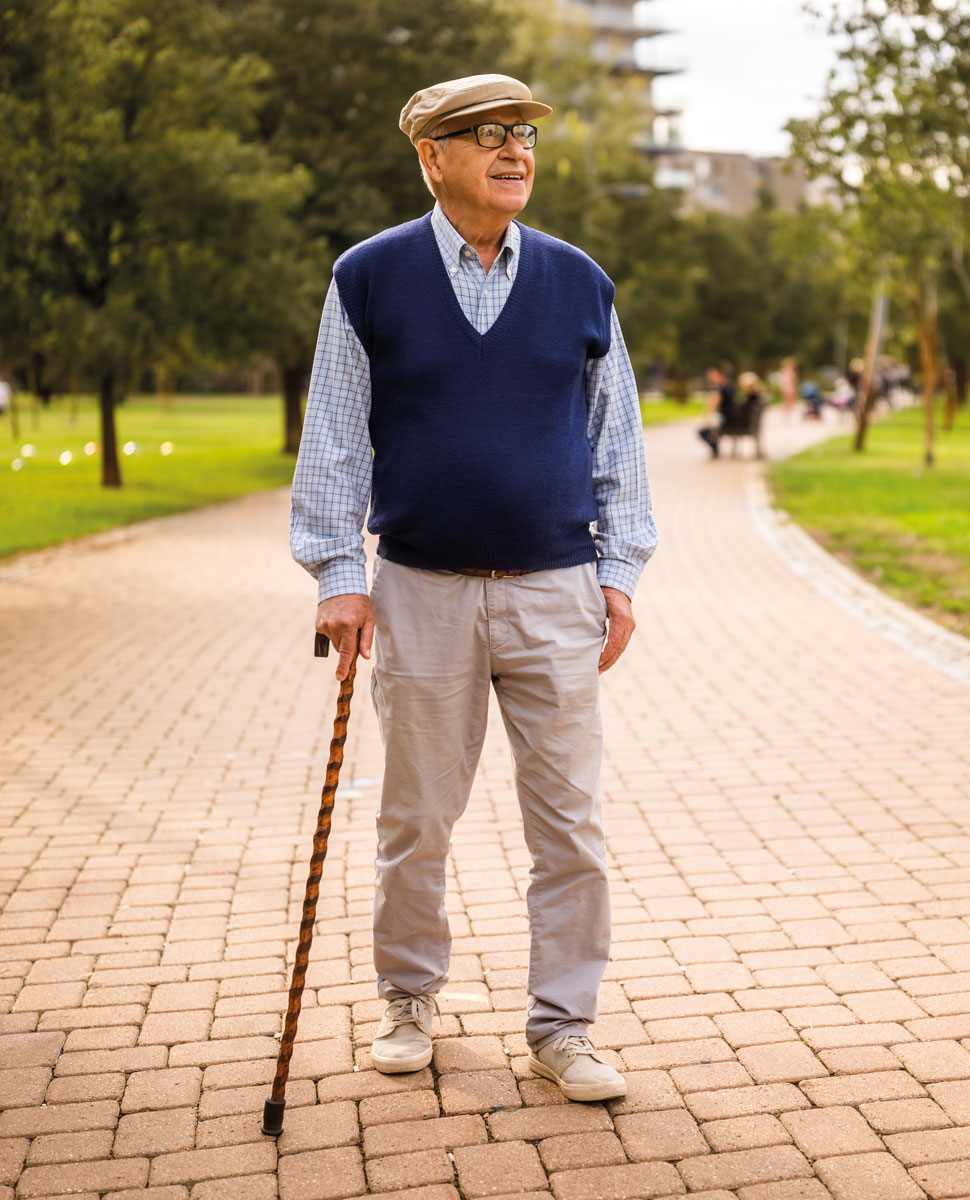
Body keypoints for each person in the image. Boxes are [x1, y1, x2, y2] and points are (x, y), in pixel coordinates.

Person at [289, 73, 656, 1104]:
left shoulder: (582, 281)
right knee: (416, 818)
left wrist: (618, 576)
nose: (514, 152)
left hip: (554, 591)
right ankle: (407, 1000)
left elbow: (615, 440)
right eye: (487, 135)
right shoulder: (369, 277)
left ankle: (563, 1026)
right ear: (431, 156)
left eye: (525, 136)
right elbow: (333, 440)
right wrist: (337, 575)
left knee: (570, 824)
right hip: (420, 592)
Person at [697, 364, 736, 458]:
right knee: (706, 428)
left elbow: (713, 403)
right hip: (732, 417)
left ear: (719, 375)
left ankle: (715, 448)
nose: (710, 377)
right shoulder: (728, 385)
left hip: (727, 420)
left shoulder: (722, 388)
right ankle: (715, 447)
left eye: (712, 375)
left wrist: (706, 418)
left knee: (703, 430)